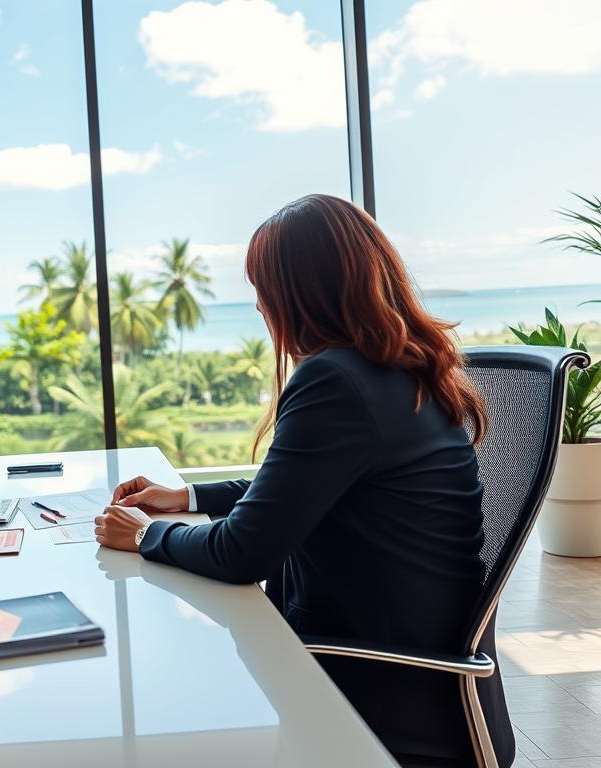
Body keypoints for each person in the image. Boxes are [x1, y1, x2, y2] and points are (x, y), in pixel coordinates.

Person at [94, 194, 513, 767]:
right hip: (403, 667)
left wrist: (145, 536)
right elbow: (308, 489)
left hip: (366, 685)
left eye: (265, 290)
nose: (263, 309)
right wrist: (186, 497)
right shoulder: (398, 368)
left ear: (301, 293)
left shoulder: (335, 380)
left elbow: (243, 552)